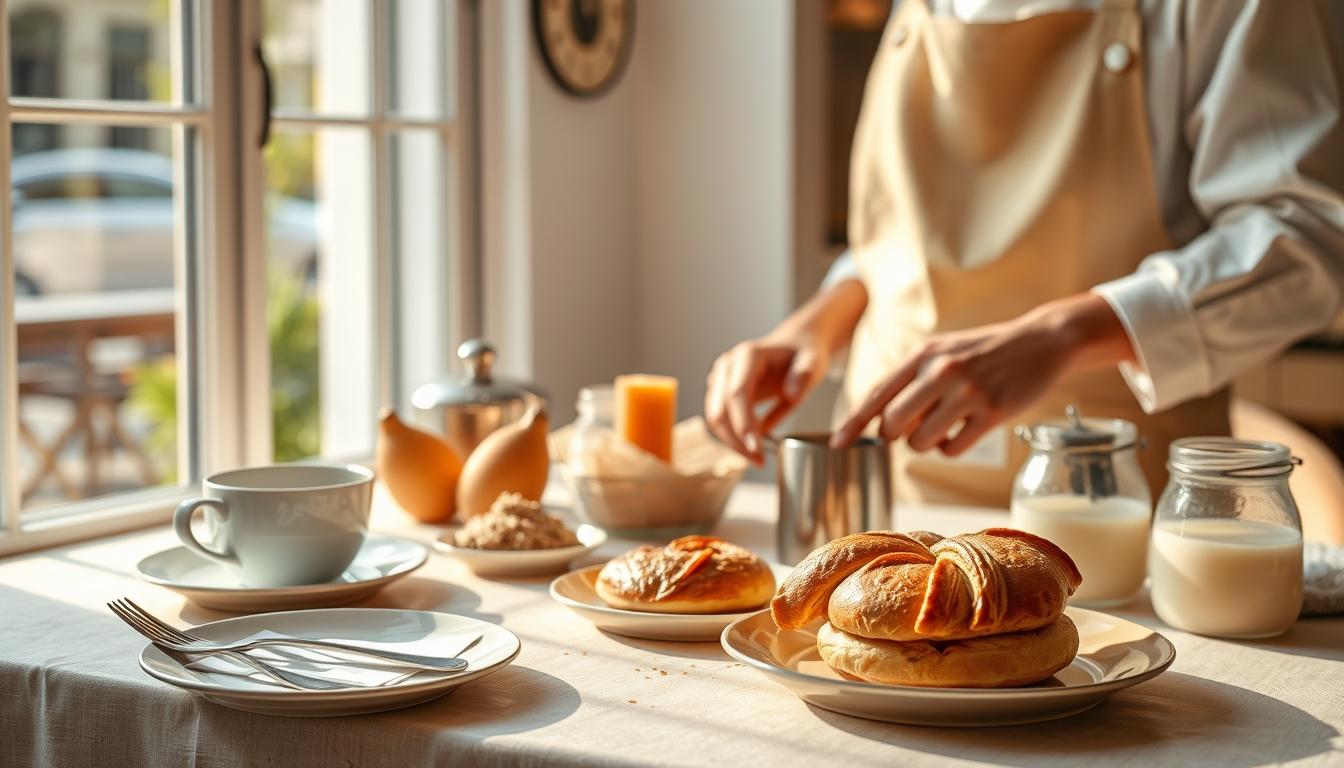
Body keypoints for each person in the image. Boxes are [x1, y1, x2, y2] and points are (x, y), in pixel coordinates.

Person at [706, 0, 1344, 507]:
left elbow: (1304, 237)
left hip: (1113, 507)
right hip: (896, 499)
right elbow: (902, 238)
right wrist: (814, 326)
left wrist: (1060, 335)